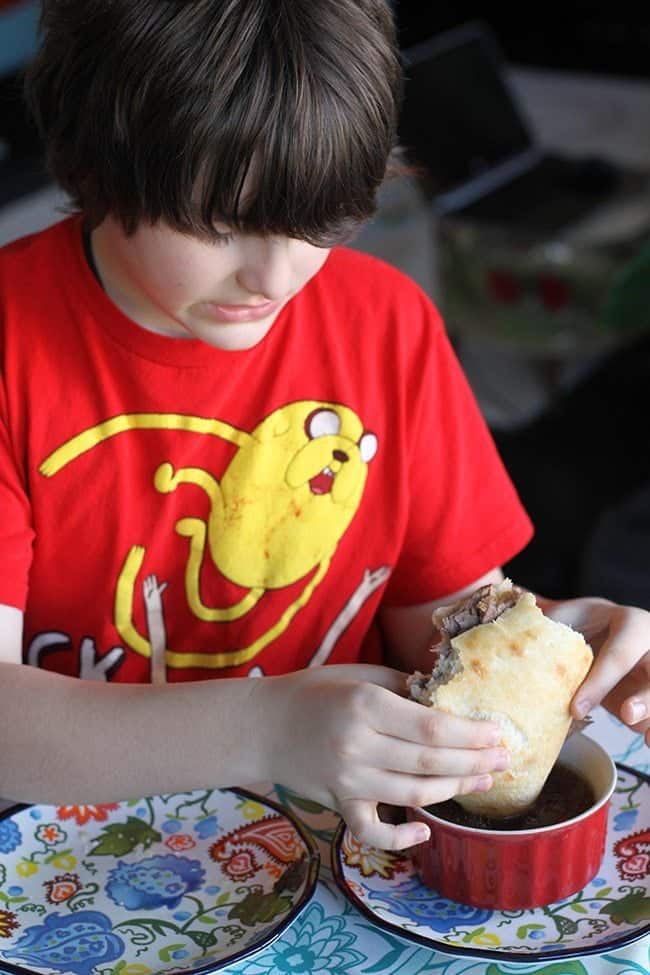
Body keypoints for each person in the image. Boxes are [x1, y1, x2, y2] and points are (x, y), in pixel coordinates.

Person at [0, 0, 648, 852]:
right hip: (63, 872)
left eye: (316, 222)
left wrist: (551, 646)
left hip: (331, 865)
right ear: (101, 158)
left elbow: (442, 627)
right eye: (221, 223)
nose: (275, 274)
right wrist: (268, 727)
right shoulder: (15, 346)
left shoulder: (385, 327)